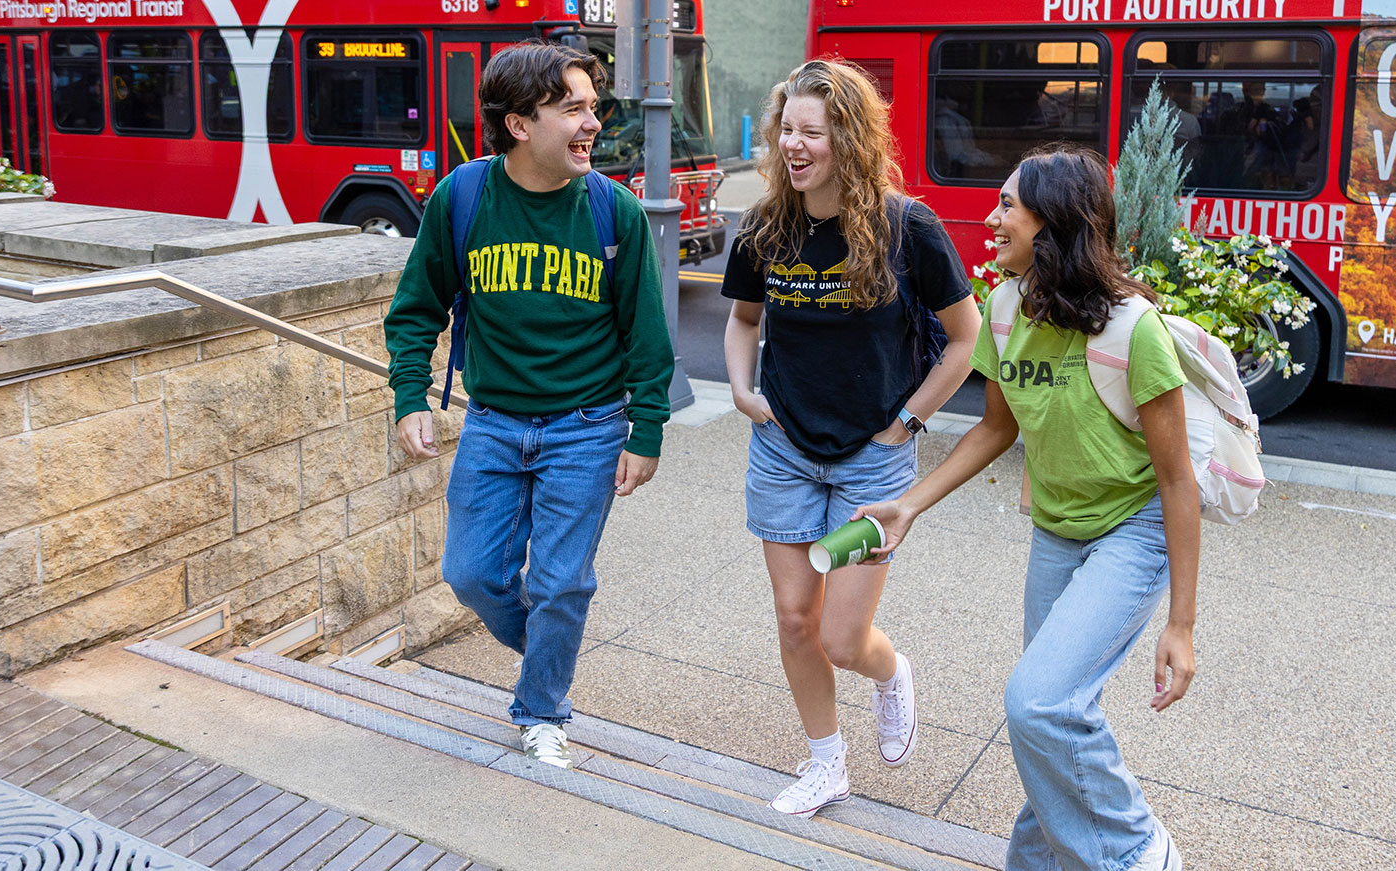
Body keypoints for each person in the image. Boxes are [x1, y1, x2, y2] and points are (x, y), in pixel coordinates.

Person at [856, 147, 1199, 871]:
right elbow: (996, 428)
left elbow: (1177, 481)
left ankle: (1138, 851)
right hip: (1055, 528)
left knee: (1038, 702)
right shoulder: (1005, 308)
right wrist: (909, 506)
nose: (992, 217)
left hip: (1132, 531)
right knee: (1049, 717)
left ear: (1055, 220)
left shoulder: (1135, 329)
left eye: (1008, 204)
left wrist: (1182, 623)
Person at [384, 40, 674, 770]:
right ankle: (553, 641)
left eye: (593, 107)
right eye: (573, 109)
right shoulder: (463, 198)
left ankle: (542, 709)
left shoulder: (614, 212)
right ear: (519, 123)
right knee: (471, 575)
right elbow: (416, 308)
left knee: (560, 582)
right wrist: (410, 394)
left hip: (589, 426)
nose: (593, 124)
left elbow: (647, 335)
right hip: (493, 422)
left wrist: (646, 430)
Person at [721, 59, 982, 818]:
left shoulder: (909, 227)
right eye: (786, 130)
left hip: (873, 459)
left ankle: (891, 671)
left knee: (841, 636)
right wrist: (741, 390)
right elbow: (742, 321)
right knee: (794, 619)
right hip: (784, 452)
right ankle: (826, 763)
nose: (793, 145)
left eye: (812, 131)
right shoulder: (765, 227)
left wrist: (909, 421)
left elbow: (965, 339)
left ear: (851, 139)